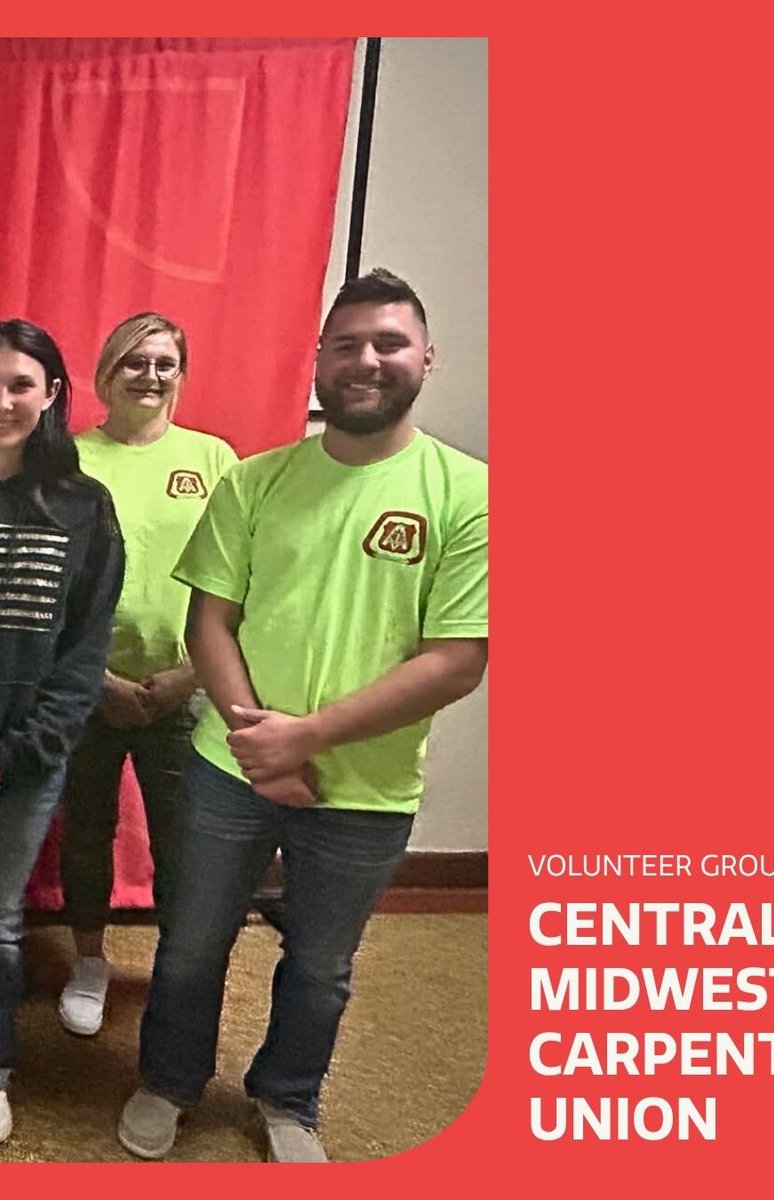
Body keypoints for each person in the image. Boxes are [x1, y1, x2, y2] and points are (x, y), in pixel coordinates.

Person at [117, 268, 488, 1163]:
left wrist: (307, 739)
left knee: (320, 968)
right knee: (191, 947)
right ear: (319, 359)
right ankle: (167, 1079)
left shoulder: (469, 494)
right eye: (347, 343)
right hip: (228, 769)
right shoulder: (254, 482)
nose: (367, 360)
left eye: (388, 343)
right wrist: (260, 745)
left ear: (425, 359)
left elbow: (459, 657)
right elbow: (212, 620)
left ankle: (289, 1099)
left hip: (366, 788)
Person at [56, 313, 237, 1037]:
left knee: (184, 843)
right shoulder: (68, 461)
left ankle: (178, 970)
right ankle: (88, 961)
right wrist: (92, 675)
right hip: (85, 684)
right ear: (107, 373)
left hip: (183, 688)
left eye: (164, 363)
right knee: (84, 831)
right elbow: (47, 581)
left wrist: (192, 676)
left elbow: (241, 581)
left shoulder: (216, 459)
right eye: (135, 362)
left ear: (181, 375)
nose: (150, 376)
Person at [0, 319, 124, 1144]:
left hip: (24, 756)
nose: (3, 398)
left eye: (19, 383)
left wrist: (29, 747)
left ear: (50, 395)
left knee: (0, 922)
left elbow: (84, 652)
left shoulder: (82, 507)